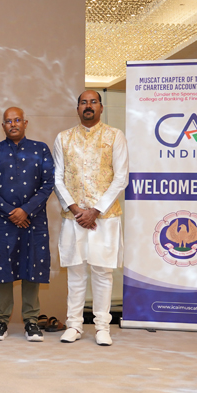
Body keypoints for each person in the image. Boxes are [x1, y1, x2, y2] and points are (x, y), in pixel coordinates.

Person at [53, 91, 128, 346]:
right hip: (73, 217)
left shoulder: (115, 136)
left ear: (101, 107)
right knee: (75, 272)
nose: (88, 106)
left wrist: (95, 210)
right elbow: (57, 178)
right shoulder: (63, 138)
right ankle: (74, 325)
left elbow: (121, 178)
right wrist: (77, 210)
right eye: (83, 102)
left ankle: (102, 327)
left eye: (93, 102)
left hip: (104, 217)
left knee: (102, 272)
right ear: (77, 108)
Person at [0, 107, 54, 342]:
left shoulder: (41, 149)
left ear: (25, 123)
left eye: (17, 120)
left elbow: (48, 184)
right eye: (8, 121)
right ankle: (1, 321)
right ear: (3, 126)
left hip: (34, 219)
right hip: (3, 221)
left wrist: (26, 210)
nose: (13, 124)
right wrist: (11, 212)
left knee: (33, 266)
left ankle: (31, 321)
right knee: (2, 268)